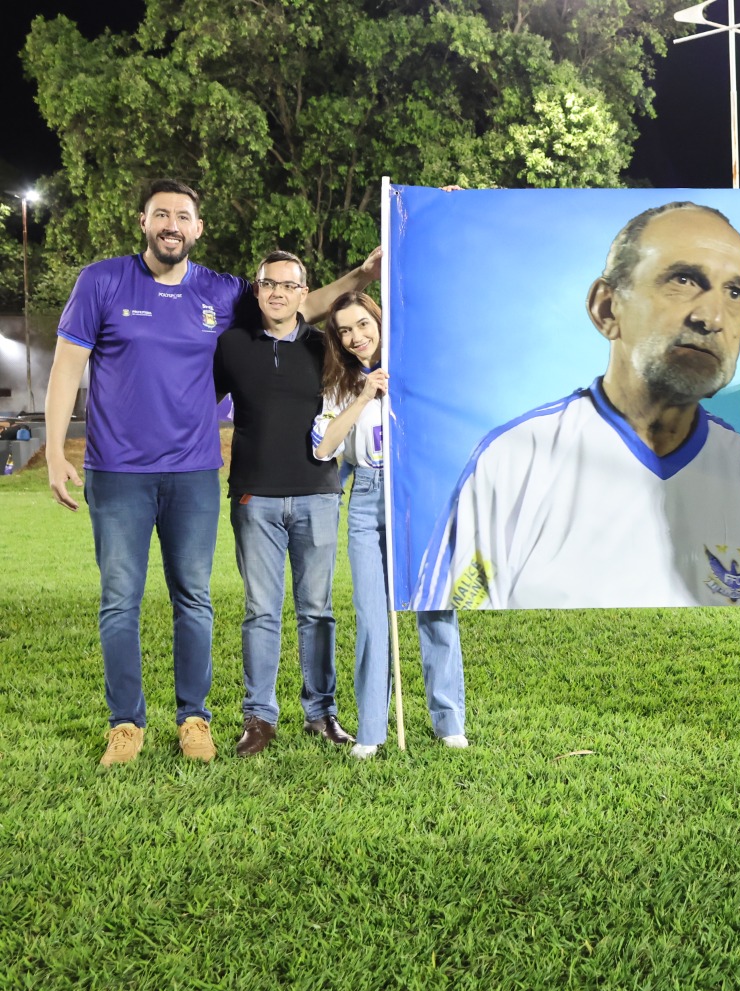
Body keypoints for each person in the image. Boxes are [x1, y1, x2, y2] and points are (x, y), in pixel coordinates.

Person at [43, 177, 379, 766]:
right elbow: (68, 365)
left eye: (183, 216)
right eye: (161, 214)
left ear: (198, 229)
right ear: (143, 221)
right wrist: (52, 450)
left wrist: (365, 275)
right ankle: (126, 724)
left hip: (195, 472)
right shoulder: (101, 281)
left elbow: (303, 300)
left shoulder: (219, 292)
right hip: (117, 472)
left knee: (194, 600)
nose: (172, 224)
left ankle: (193, 718)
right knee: (120, 600)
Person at [419, 201, 740, 611]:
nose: (713, 316)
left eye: (735, 293)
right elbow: (448, 629)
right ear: (606, 308)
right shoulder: (517, 459)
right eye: (684, 279)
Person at [313, 292, 468, 758]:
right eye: (345, 331)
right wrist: (363, 396)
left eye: (363, 324)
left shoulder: (414, 367)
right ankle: (373, 730)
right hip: (365, 498)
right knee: (371, 616)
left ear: (378, 321)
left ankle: (448, 720)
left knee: (434, 604)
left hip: (416, 492)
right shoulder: (340, 384)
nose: (357, 336)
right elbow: (323, 448)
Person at [213, 251, 355, 756]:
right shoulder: (230, 346)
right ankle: (260, 718)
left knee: (317, 610)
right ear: (257, 291)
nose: (278, 293)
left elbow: (381, 352)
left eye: (289, 285)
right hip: (255, 497)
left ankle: (322, 713)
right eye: (268, 284)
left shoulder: (327, 347)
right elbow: (191, 404)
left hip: (317, 493)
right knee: (260, 611)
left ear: (303, 293)